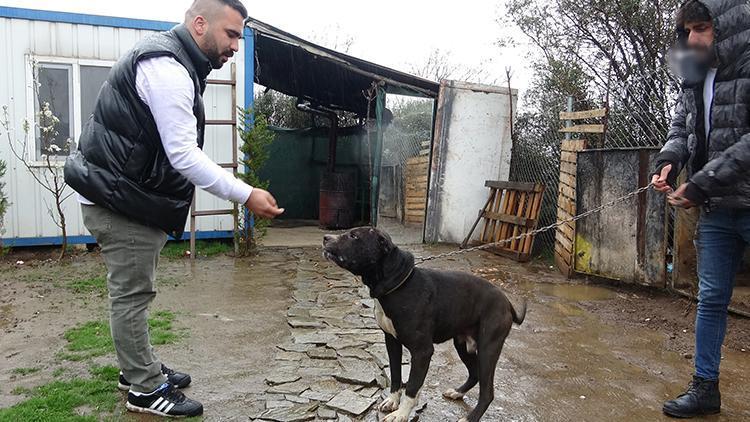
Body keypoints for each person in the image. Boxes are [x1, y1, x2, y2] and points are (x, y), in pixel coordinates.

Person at [64, 0, 284, 417]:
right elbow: (183, 155)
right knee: (131, 295)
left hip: (123, 194)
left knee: (137, 293)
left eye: (239, 36)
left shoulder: (174, 60)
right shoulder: (167, 69)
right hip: (119, 200)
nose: (236, 46)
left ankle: (137, 369)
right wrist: (245, 193)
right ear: (199, 24)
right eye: (231, 34)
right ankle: (144, 390)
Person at [651, 0, 750, 418]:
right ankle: (705, 387)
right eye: (688, 30)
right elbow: (681, 127)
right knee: (710, 299)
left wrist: (702, 182)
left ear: (726, 27)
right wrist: (669, 162)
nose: (693, 39)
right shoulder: (693, 75)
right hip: (716, 207)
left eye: (703, 28)